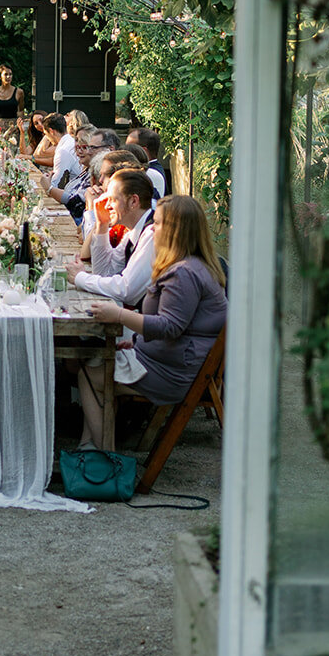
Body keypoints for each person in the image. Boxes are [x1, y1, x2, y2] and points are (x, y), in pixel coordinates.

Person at [75, 195, 227, 449]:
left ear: (176, 230)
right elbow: (175, 324)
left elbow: (169, 327)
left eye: (157, 223)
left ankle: (103, 455)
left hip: (174, 371)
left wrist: (119, 316)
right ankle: (88, 451)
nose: (152, 229)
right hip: (175, 360)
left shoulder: (184, 273)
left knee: (89, 372)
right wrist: (135, 340)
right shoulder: (193, 264)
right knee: (94, 358)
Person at [66, 168, 156, 306]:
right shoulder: (132, 232)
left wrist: (80, 278)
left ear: (133, 202)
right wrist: (101, 225)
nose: (106, 206)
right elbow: (104, 272)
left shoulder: (152, 233)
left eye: (112, 199)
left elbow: (127, 290)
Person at [0, 63, 25, 149]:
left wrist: (19, 127)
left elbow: (21, 111)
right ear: (0, 76)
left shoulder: (19, 92)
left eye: (10, 74)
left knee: (11, 155)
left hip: (13, 128)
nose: (8, 77)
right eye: (6, 74)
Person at [127, 127, 172, 195]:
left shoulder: (149, 173)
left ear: (143, 151)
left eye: (129, 147)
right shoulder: (154, 169)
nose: (124, 151)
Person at [42, 111, 80, 189]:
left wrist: (45, 181)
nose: (47, 138)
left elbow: (54, 186)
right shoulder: (70, 142)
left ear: (51, 131)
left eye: (46, 134)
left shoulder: (63, 151)